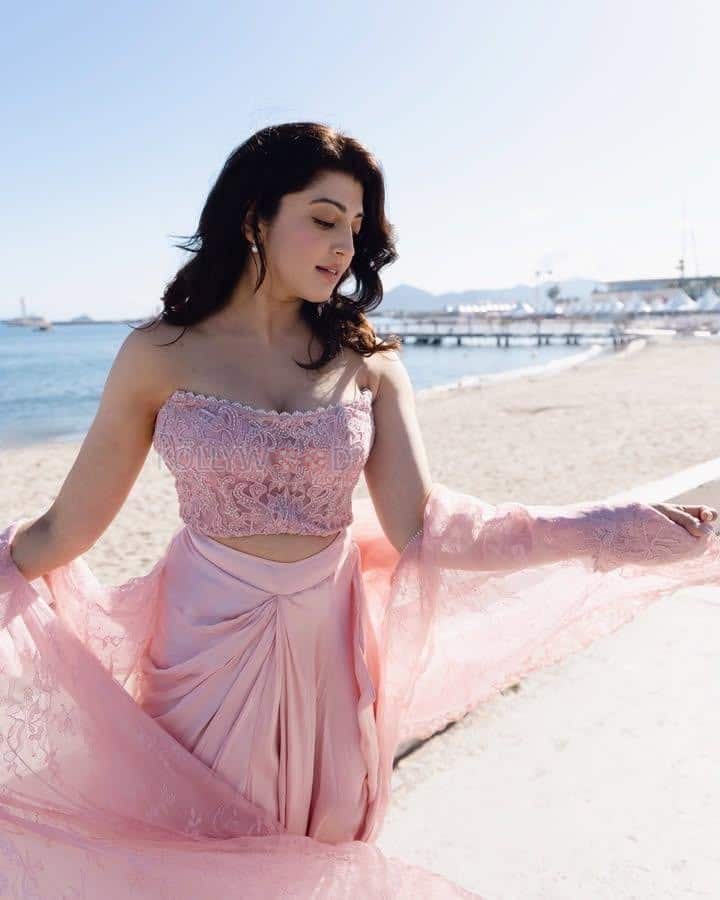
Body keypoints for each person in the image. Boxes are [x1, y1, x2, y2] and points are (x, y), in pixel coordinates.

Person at [1, 122, 718, 899]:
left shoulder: (368, 361)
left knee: (320, 856)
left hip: (332, 661)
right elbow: (67, 530)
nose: (345, 245)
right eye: (323, 216)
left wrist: (603, 529)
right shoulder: (157, 352)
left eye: (354, 227)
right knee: (197, 862)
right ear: (254, 216)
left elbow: (428, 527)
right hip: (202, 656)